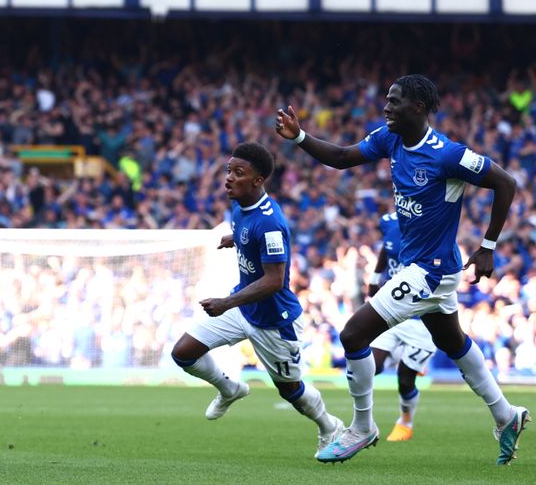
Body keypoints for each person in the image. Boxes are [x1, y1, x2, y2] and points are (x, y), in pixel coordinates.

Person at [275, 74, 529, 465]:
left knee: (354, 333)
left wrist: (488, 246)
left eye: (395, 102)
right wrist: (299, 138)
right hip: (423, 268)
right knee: (454, 344)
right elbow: (342, 158)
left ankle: (361, 428)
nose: (386, 107)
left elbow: (506, 182)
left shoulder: (448, 154)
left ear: (419, 108)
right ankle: (506, 416)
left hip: (431, 271)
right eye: (387, 101)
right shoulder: (390, 139)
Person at [171, 142, 344, 458]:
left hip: (275, 322)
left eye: (239, 172)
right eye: (229, 170)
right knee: (183, 353)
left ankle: (328, 425)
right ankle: (230, 389)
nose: (229, 178)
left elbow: (274, 281)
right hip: (244, 309)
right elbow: (247, 232)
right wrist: (234, 238)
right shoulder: (239, 205)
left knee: (291, 391)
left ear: (258, 180)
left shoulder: (270, 222)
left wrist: (226, 302)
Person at [366, 211, 436, 442]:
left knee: (405, 380)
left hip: (420, 317)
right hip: (392, 306)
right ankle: (362, 425)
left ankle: (405, 422)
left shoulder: (433, 222)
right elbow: (386, 250)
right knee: (369, 367)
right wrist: (375, 278)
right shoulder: (388, 221)